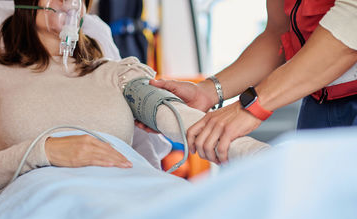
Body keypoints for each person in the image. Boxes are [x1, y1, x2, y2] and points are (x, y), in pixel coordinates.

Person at [0, 0, 267, 202]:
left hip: (130, 200)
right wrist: (44, 150)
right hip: (43, 209)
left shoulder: (118, 74)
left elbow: (176, 117)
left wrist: (254, 154)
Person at [148, 0, 357, 164]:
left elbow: (350, 27)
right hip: (319, 109)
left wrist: (252, 105)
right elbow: (278, 34)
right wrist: (208, 91)